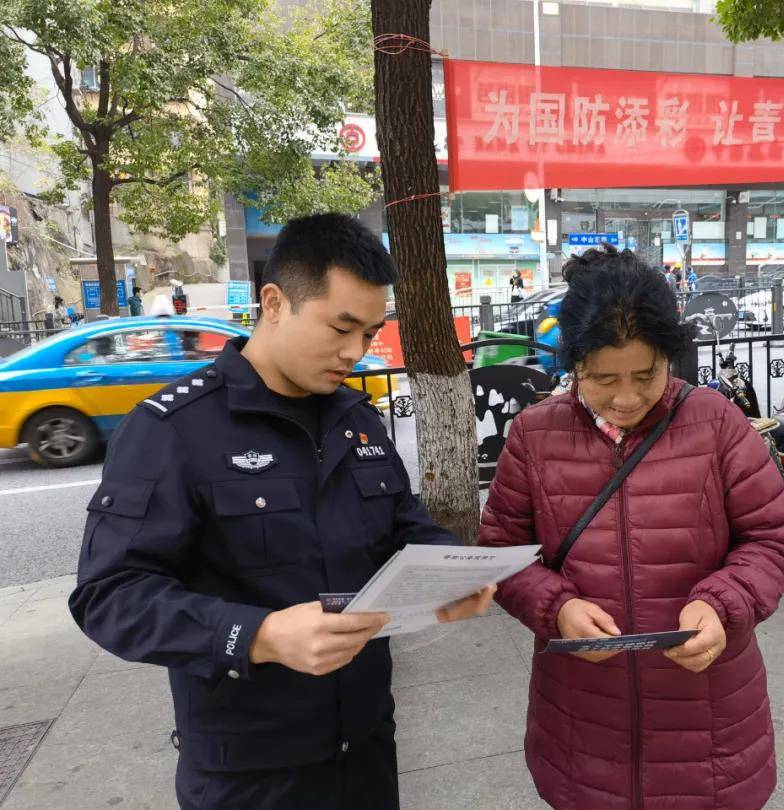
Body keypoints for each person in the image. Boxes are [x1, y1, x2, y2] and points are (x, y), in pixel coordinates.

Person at [69, 213, 495, 810]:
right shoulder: (173, 431)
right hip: (251, 773)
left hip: (366, 749)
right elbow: (110, 596)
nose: (355, 352)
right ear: (274, 302)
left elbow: (400, 522)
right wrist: (259, 636)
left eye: (370, 333)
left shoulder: (356, 418)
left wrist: (452, 570)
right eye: (341, 327)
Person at [479, 244, 784, 809]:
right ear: (573, 362)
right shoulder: (534, 436)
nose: (625, 398)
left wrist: (724, 604)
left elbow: (773, 539)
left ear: (668, 357)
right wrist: (556, 608)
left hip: (709, 720)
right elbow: (504, 554)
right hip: (583, 718)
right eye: (602, 378)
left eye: (645, 374)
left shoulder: (716, 423)